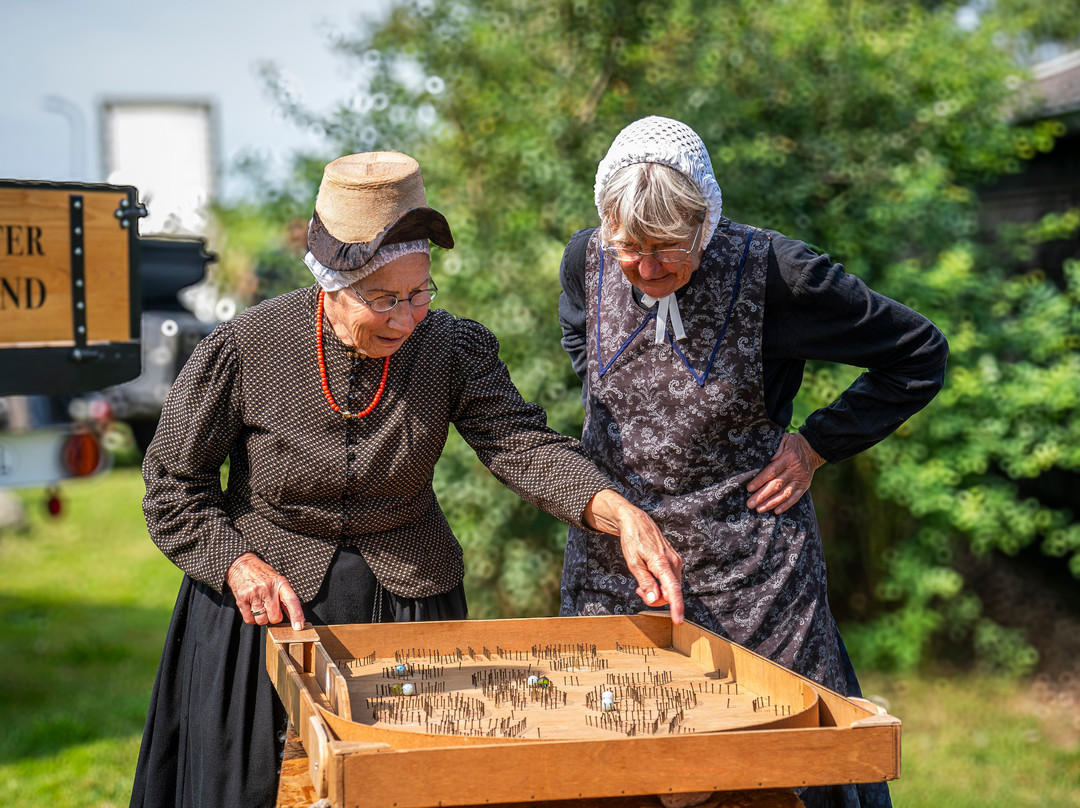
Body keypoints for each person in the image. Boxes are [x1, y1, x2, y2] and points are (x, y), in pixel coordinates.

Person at [129, 151, 683, 808]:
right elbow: (173, 486)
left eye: (420, 293)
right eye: (384, 299)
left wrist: (616, 510)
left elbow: (520, 445)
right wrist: (235, 564)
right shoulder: (246, 346)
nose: (405, 317)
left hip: (407, 609)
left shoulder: (450, 346)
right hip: (262, 622)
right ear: (331, 283)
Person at [557, 117, 948, 808]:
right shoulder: (585, 258)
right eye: (632, 249)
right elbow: (577, 333)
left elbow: (916, 353)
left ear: (704, 221)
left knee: (784, 765)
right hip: (618, 567)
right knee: (616, 769)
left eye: (669, 249)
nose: (648, 270)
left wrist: (817, 442)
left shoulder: (777, 273)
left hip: (753, 578)